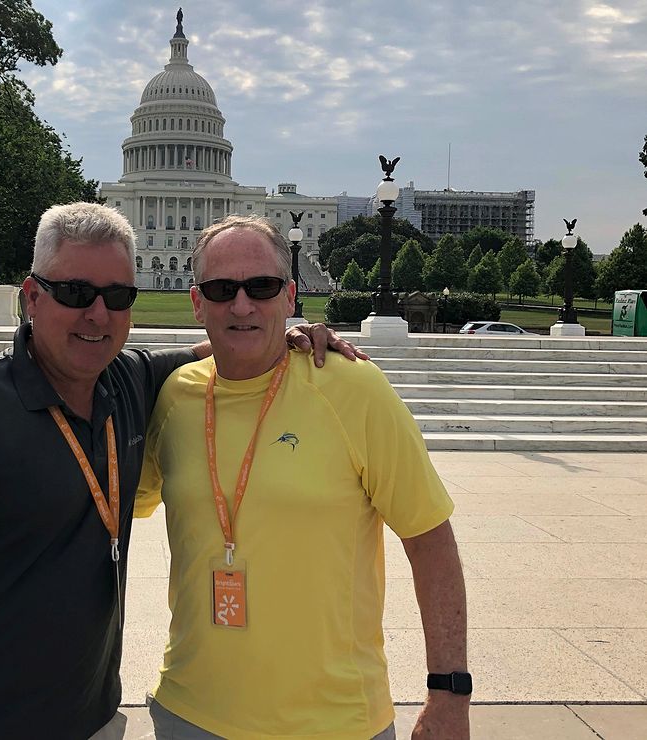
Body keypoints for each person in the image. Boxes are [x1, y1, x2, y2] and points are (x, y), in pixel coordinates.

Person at [0, 202, 361, 740]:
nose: (98, 315)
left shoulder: (127, 383)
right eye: (76, 293)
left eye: (118, 297)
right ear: (32, 296)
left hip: (92, 721)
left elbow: (225, 344)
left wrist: (290, 335)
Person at [136, 214, 470, 739]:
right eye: (222, 289)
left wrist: (449, 692)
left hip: (334, 721)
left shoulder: (352, 389)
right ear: (197, 302)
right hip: (191, 714)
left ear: (290, 295)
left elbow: (430, 538)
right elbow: (115, 508)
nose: (242, 304)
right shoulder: (175, 398)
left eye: (261, 287)